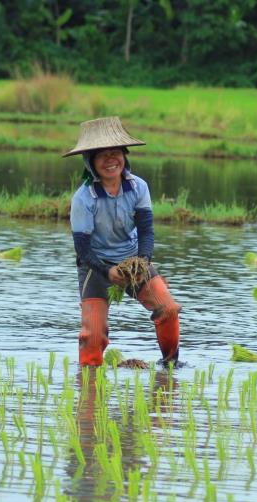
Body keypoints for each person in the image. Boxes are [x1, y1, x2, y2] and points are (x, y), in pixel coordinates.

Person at [64, 116, 181, 367]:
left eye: (115, 153)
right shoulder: (83, 198)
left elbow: (146, 231)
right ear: (91, 162)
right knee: (93, 336)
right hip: (96, 266)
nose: (110, 160)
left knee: (168, 309)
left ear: (124, 156)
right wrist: (108, 271)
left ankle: (170, 367)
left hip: (133, 261)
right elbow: (82, 249)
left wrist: (142, 263)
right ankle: (89, 387)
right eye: (102, 155)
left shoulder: (138, 187)